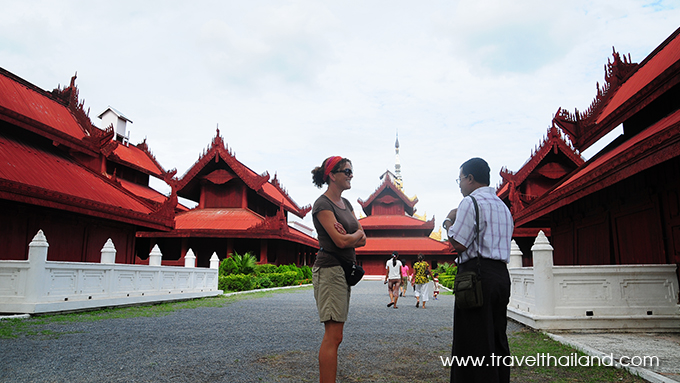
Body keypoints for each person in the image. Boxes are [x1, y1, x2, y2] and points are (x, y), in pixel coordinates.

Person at [443, 157, 514, 383]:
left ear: (470, 178)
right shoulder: (503, 207)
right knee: (497, 335)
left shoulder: (470, 203)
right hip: (501, 275)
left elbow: (459, 243)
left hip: (476, 276)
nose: (461, 184)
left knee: (473, 338)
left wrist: (448, 223)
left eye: (460, 179)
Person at [311, 156, 367, 383]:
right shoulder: (322, 204)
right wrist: (349, 237)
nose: (350, 175)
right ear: (332, 176)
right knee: (333, 336)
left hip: (344, 270)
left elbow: (363, 237)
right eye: (346, 171)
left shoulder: (348, 205)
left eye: (351, 171)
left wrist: (348, 235)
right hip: (330, 269)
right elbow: (340, 241)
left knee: (337, 335)